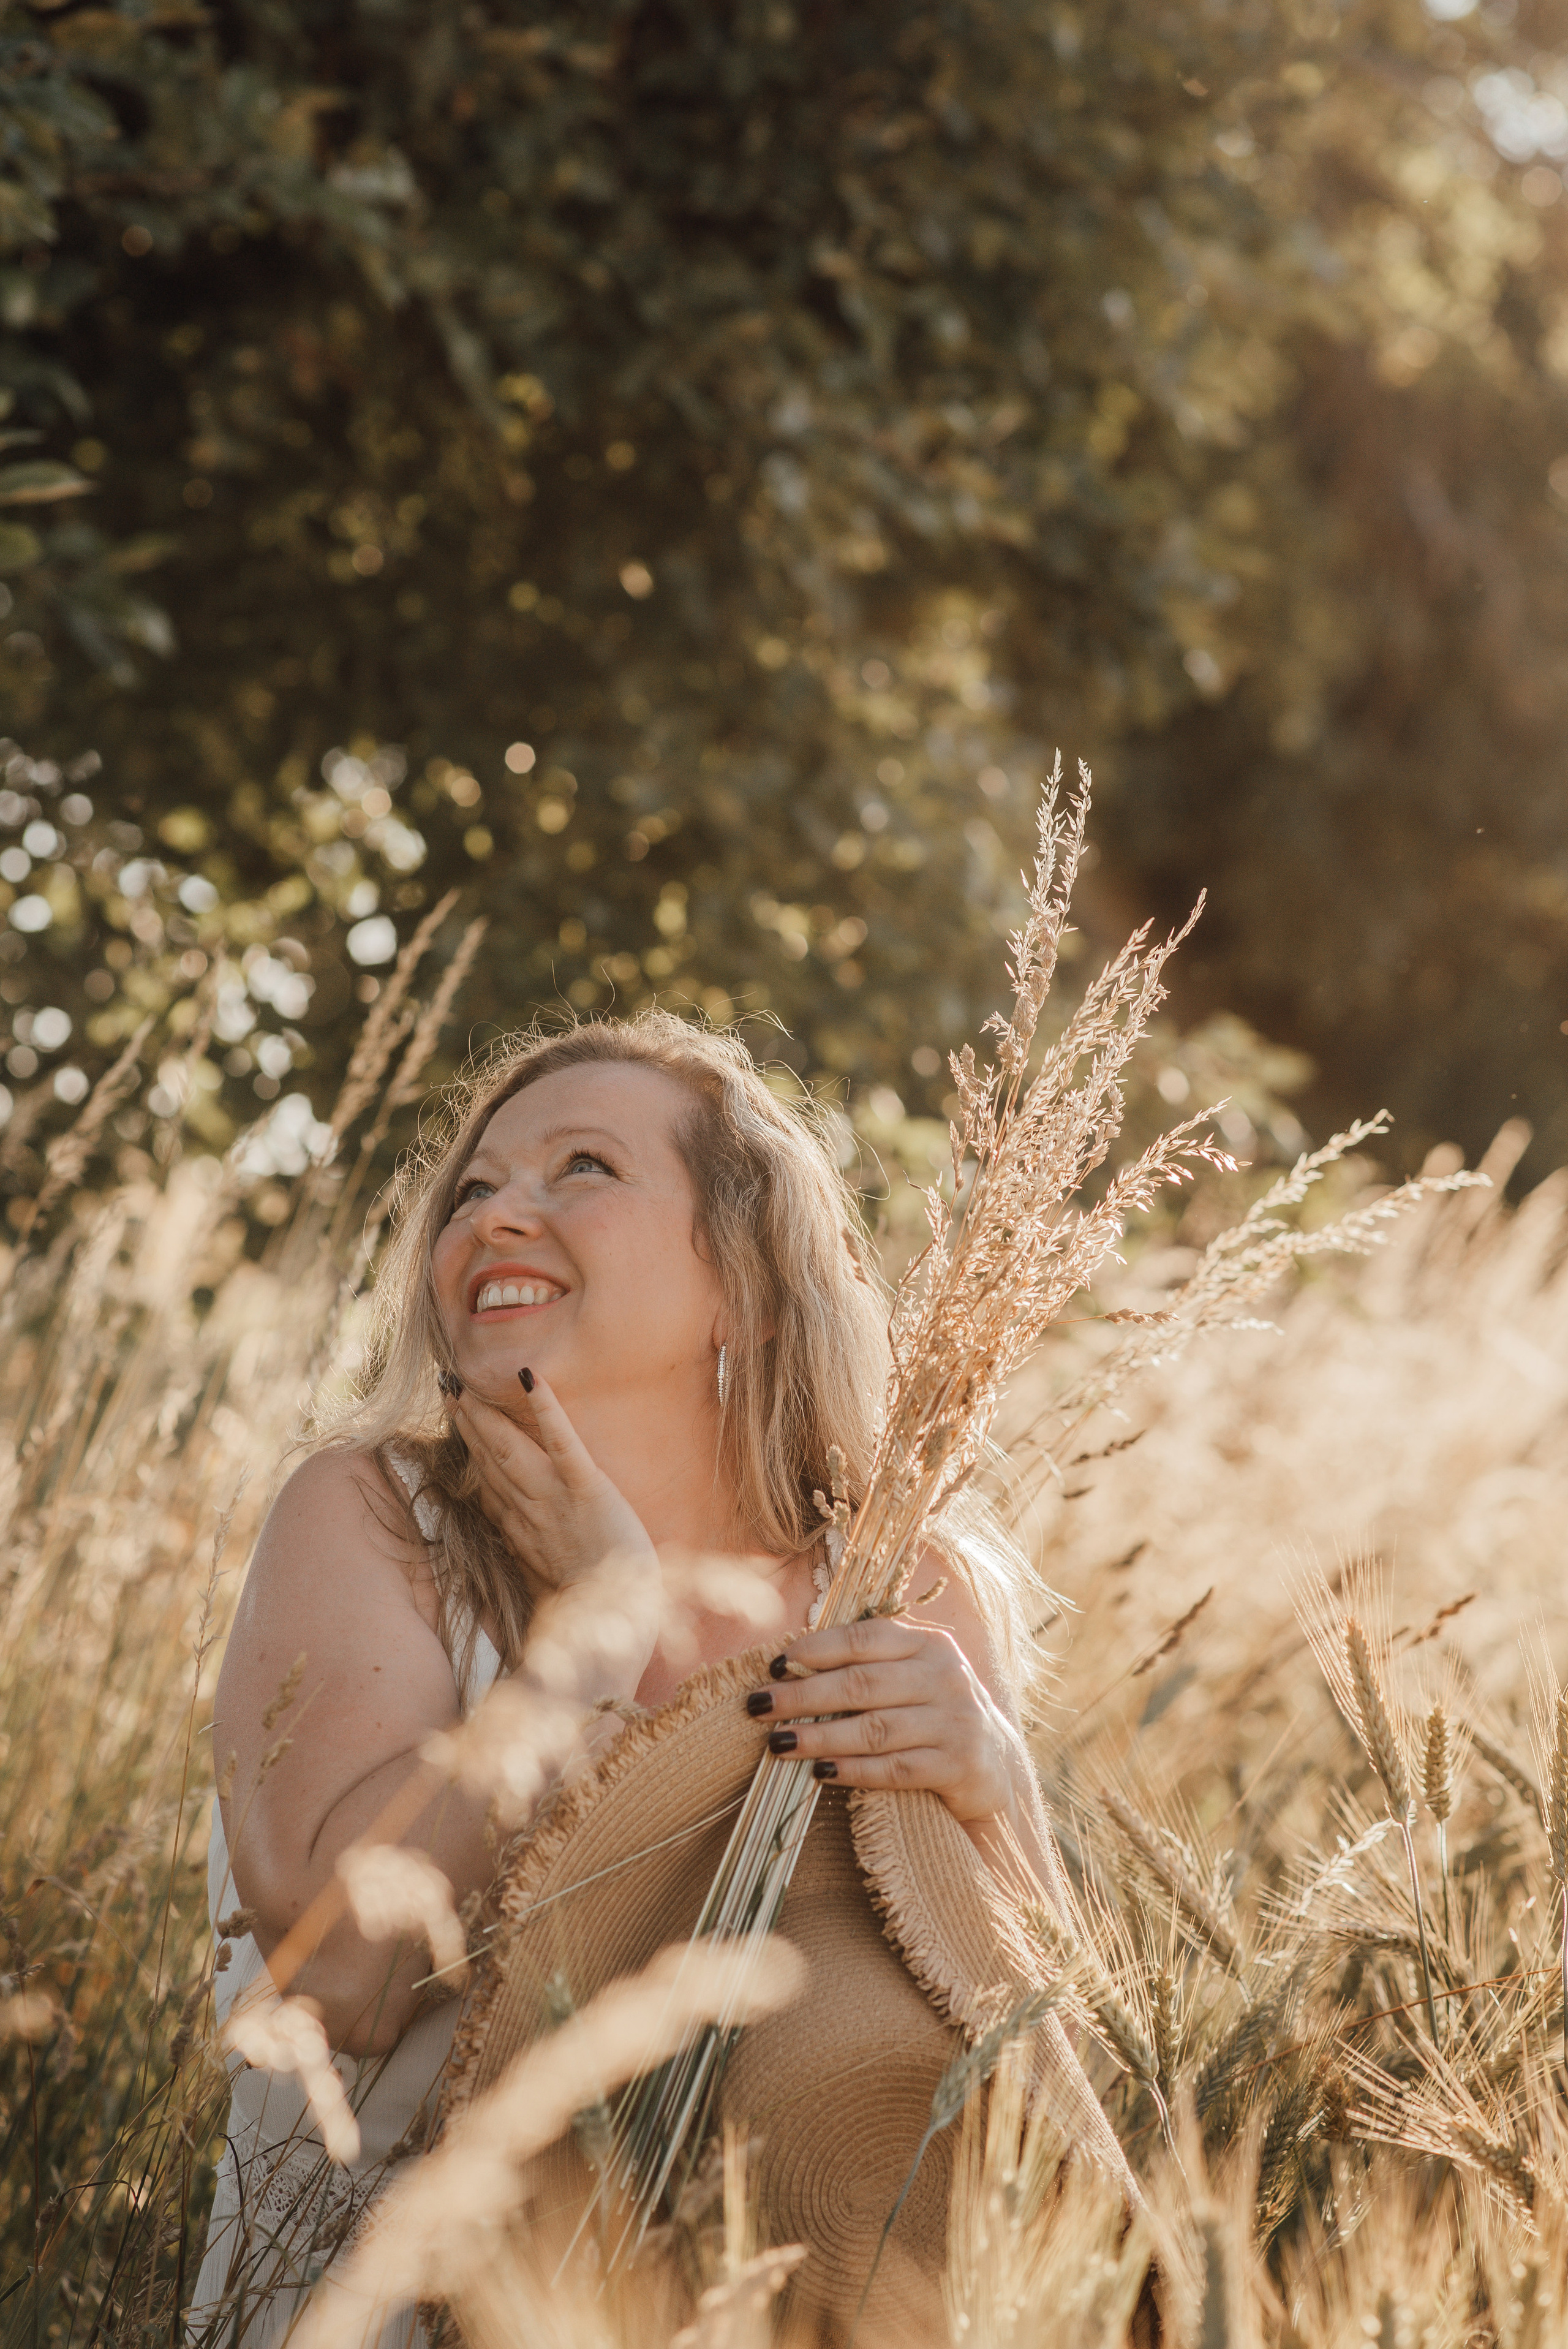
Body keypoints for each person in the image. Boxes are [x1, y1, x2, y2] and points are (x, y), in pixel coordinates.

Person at [189, 1011, 1108, 2346]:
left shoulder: (900, 1586)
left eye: (581, 1170)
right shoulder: (374, 1518)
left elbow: (1032, 2053)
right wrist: (596, 1638)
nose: (498, 1214)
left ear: (739, 1277)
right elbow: (345, 1976)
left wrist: (997, 1786)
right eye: (474, 1189)